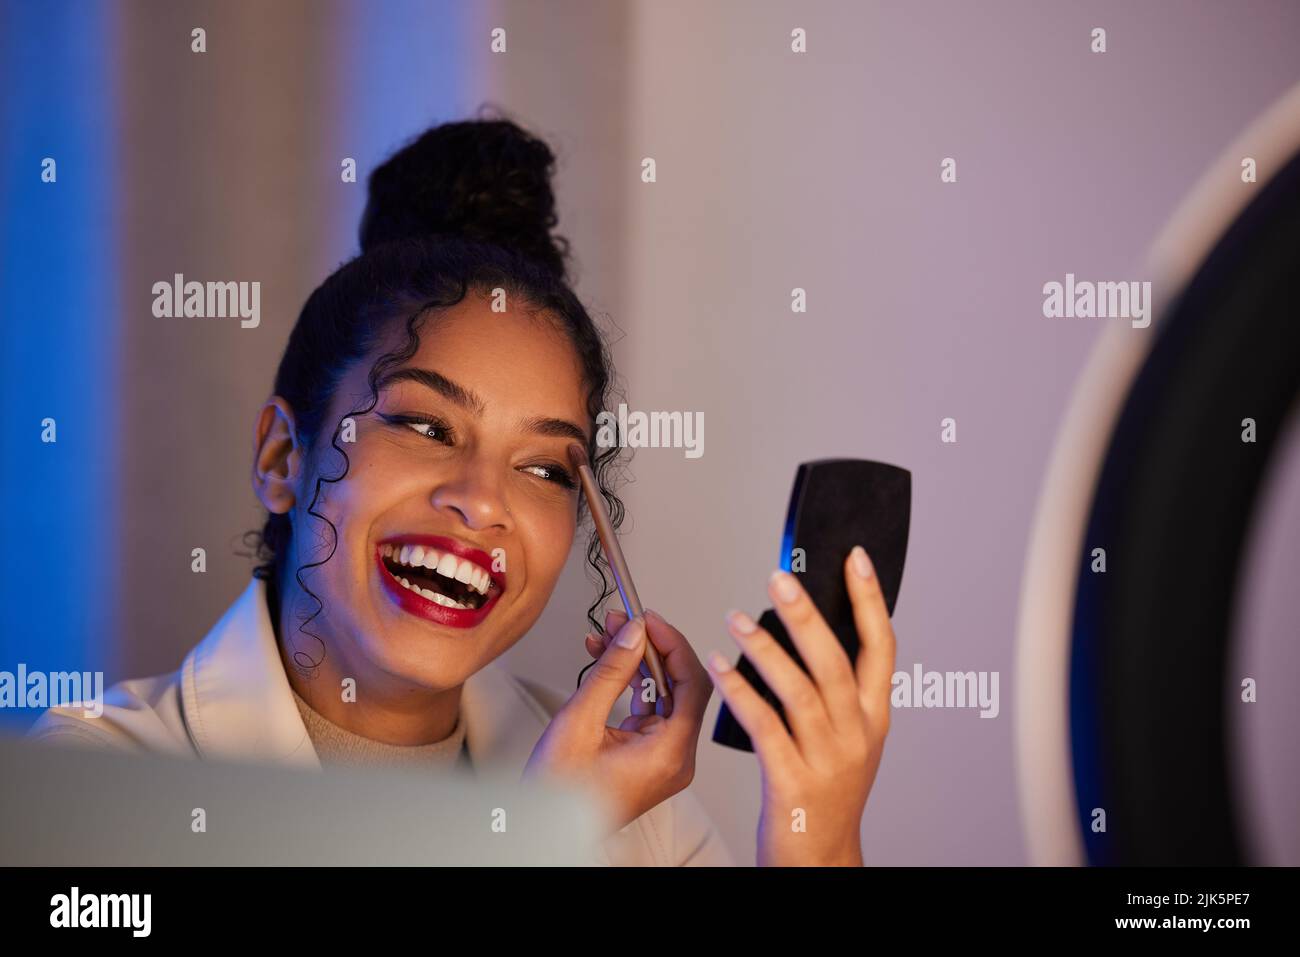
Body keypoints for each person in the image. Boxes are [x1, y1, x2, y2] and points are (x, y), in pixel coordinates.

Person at [28, 116, 895, 867]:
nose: (485, 503)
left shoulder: (640, 814)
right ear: (283, 457)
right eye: (428, 427)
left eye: (546, 469)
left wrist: (815, 836)